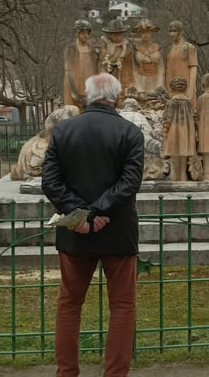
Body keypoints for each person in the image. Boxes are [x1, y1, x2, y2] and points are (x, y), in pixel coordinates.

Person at [42, 73, 145, 377]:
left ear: (85, 96)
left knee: (69, 304)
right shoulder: (129, 132)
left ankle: (67, 372)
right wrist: (98, 210)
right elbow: (129, 182)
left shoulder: (63, 131)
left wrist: (79, 212)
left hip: (75, 230)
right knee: (123, 307)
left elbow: (50, 181)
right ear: (117, 95)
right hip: (117, 229)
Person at [162, 76, 197, 181]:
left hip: (174, 130)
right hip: (187, 131)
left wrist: (165, 128)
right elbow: (193, 116)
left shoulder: (171, 102)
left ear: (172, 88)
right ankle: (183, 175)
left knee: (174, 155)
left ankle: (174, 174)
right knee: (183, 155)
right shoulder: (188, 102)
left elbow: (168, 117)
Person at [63, 20, 98, 109]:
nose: (86, 35)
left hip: (88, 87)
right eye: (82, 33)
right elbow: (68, 71)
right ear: (77, 33)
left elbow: (95, 71)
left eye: (87, 33)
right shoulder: (71, 49)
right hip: (74, 85)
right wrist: (74, 92)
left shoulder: (92, 50)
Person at [98, 19, 133, 107]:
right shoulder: (105, 46)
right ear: (110, 35)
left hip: (123, 78)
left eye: (119, 34)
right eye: (114, 34)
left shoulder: (127, 46)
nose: (117, 37)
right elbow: (102, 62)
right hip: (109, 77)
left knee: (122, 98)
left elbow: (129, 65)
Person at [165, 20, 198, 105]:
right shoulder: (169, 50)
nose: (172, 34)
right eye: (170, 31)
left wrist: (190, 90)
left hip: (186, 89)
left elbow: (193, 69)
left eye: (174, 31)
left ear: (181, 32)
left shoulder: (189, 47)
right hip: (171, 91)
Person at [131, 18, 165, 94]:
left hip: (155, 80)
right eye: (143, 32)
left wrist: (159, 84)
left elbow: (161, 67)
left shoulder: (158, 48)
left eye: (147, 32)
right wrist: (137, 85)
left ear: (151, 32)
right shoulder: (135, 48)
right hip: (140, 80)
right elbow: (133, 68)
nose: (145, 35)